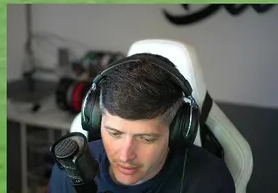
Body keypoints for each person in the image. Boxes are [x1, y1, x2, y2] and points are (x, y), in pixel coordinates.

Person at [49, 54, 234, 192]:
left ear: (176, 130)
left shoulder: (209, 181)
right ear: (97, 120)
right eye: (114, 133)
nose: (125, 156)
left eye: (146, 138)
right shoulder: (70, 172)